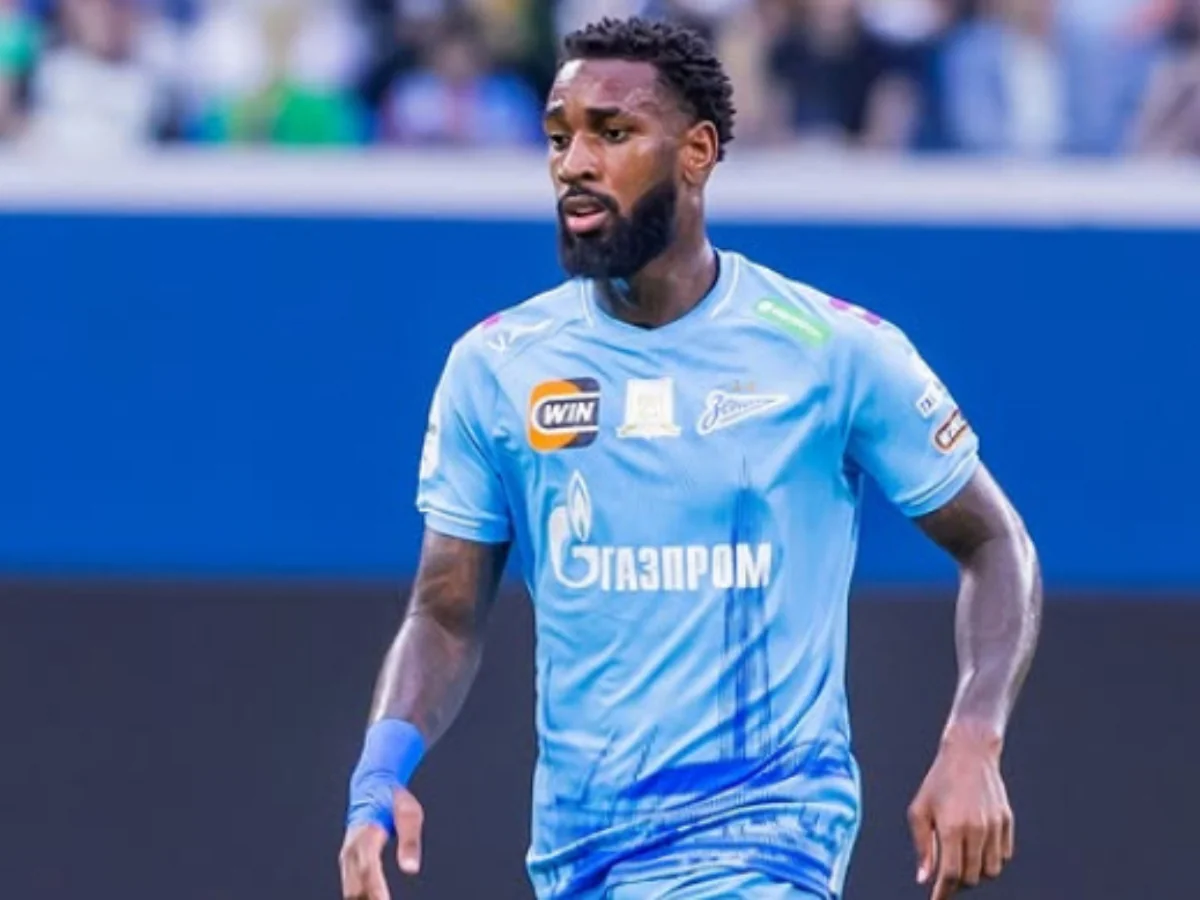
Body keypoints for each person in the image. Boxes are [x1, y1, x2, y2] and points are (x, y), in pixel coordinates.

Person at [339, 15, 1042, 900]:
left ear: (698, 152)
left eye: (612, 133)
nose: (574, 163)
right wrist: (379, 774)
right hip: (581, 860)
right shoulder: (497, 367)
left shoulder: (832, 352)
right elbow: (444, 613)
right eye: (559, 138)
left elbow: (996, 543)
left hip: (768, 848)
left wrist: (974, 738)